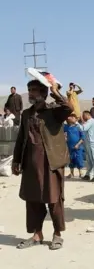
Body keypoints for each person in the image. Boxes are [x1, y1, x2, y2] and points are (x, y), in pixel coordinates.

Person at [13, 79, 72, 250]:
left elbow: (68, 108)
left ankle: (57, 234)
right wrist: (17, 160)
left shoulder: (54, 111)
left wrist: (55, 90)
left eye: (35, 90)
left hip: (51, 163)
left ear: (44, 93)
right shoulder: (26, 114)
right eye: (30, 89)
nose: (31, 93)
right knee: (32, 200)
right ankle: (37, 234)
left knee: (54, 199)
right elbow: (21, 138)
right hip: (30, 164)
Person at [80, 111, 94, 182]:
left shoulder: (91, 121)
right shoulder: (90, 122)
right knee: (89, 161)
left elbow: (83, 128)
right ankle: (88, 175)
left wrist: (76, 123)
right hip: (89, 144)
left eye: (83, 116)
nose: (83, 117)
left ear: (87, 115)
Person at [64, 114, 85, 178]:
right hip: (70, 146)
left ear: (76, 119)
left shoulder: (78, 127)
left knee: (79, 159)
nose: (72, 118)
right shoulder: (66, 127)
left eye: (73, 117)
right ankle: (71, 173)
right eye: (71, 117)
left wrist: (78, 144)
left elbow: (83, 137)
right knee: (71, 159)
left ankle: (81, 173)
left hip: (78, 146)